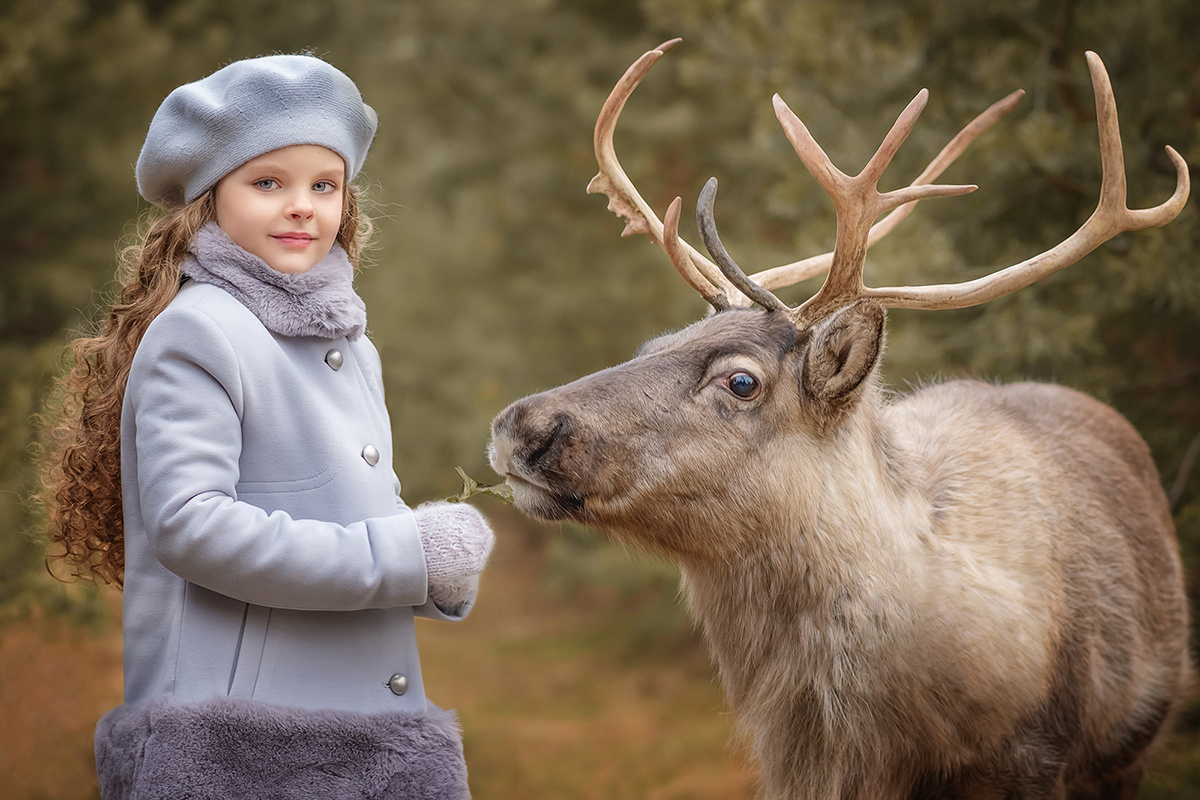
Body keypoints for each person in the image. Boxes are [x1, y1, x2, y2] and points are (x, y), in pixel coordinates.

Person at [39, 54, 493, 799]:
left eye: (324, 185)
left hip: (374, 729)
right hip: (242, 743)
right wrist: (406, 554)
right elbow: (193, 526)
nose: (302, 206)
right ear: (209, 199)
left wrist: (430, 570)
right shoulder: (201, 332)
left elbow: (343, 519)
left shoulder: (351, 346)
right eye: (268, 182)